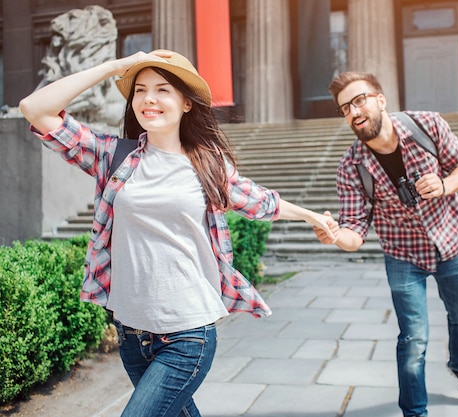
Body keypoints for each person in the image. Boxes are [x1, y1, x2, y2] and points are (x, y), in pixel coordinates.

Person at [19, 49, 338, 417]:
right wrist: (113, 66)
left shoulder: (207, 165)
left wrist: (313, 217)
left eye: (162, 89)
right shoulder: (113, 156)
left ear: (187, 103)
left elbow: (260, 200)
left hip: (187, 334)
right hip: (132, 333)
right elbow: (35, 108)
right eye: (140, 89)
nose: (149, 99)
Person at [315, 71, 458, 417]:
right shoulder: (350, 168)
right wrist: (334, 235)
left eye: (359, 100)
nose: (354, 111)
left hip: (451, 241)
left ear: (380, 99)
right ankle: (415, 413)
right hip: (403, 255)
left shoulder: (426, 125)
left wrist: (444, 184)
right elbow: (355, 233)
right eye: (345, 107)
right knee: (413, 339)